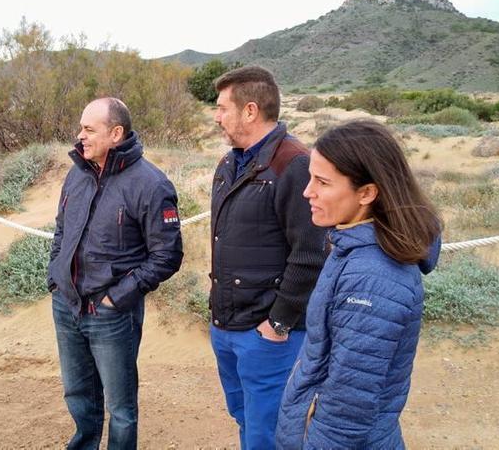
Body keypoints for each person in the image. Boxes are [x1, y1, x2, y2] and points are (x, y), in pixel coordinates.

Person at [275, 120, 442, 449]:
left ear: (367, 192)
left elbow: (347, 408)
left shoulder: (371, 278)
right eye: (310, 177)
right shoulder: (352, 245)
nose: (308, 191)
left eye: (322, 182)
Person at [47, 97, 184, 449]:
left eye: (89, 129)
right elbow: (61, 230)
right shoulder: (77, 174)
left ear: (116, 133)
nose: (80, 137)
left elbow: (167, 255)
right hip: (67, 305)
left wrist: (117, 297)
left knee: (121, 408)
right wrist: (56, 277)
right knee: (78, 394)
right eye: (81, 128)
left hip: (111, 313)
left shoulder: (151, 184)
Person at [208, 65, 329, 450]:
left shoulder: (293, 163)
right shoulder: (230, 163)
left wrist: (277, 323)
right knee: (244, 417)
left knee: (271, 432)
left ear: (250, 110)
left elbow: (310, 254)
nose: (217, 116)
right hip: (228, 324)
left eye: (223, 107)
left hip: (269, 336)